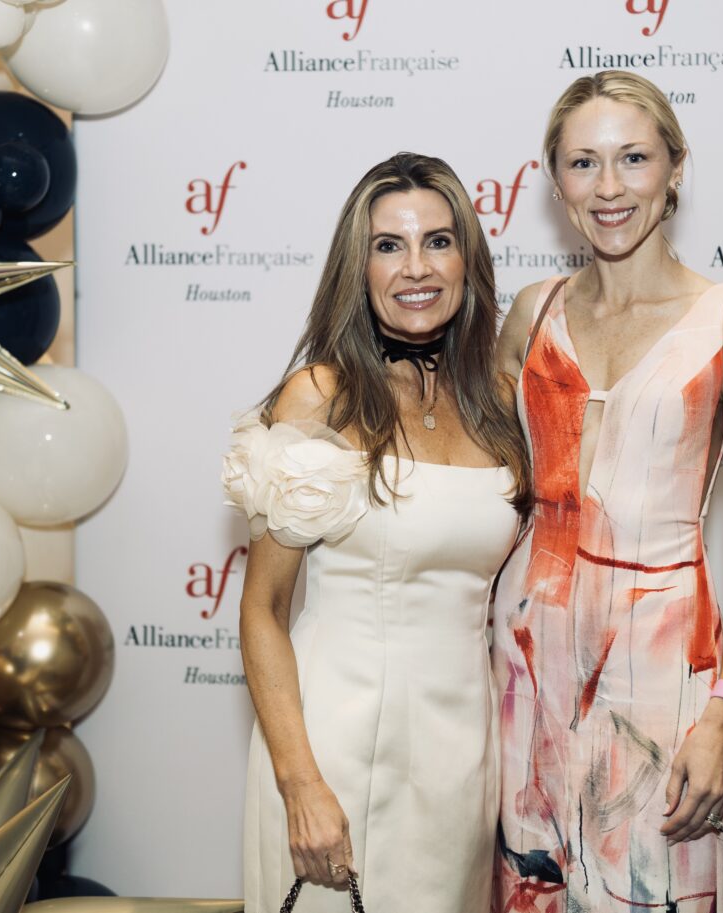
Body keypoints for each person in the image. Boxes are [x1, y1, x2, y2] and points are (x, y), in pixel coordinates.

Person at [492, 71, 723, 913]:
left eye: (634, 158)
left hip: (663, 675)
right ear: (554, 182)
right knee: (529, 890)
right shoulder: (531, 313)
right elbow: (495, 487)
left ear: (676, 168)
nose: (609, 187)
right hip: (524, 667)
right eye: (584, 162)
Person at [223, 152, 531, 913]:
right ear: (357, 267)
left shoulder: (496, 403)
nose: (415, 267)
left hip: (462, 760)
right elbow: (262, 610)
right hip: (334, 752)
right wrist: (301, 785)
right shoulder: (321, 397)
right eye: (388, 245)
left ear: (468, 257)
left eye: (438, 239)